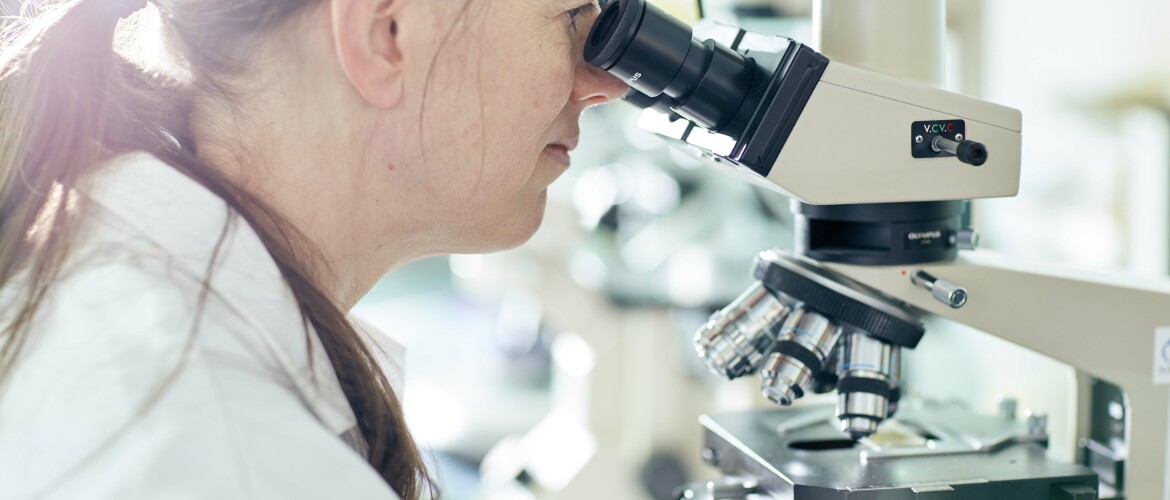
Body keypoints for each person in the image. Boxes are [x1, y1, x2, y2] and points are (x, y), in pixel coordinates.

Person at [0, 0, 626, 498]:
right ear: (387, 33)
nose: (607, 84)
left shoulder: (106, 278)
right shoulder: (232, 458)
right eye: (572, 15)